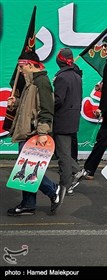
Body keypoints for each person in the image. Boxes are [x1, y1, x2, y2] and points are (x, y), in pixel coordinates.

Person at [70, 34, 107, 194]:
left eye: (105, 46)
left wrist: (101, 108)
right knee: (103, 140)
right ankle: (89, 169)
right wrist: (103, 86)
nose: (103, 48)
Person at [6, 51, 66, 216]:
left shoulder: (42, 82)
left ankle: (53, 190)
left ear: (31, 64)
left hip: (33, 133)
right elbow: (29, 106)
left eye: (21, 65)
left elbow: (47, 109)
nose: (20, 69)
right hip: (26, 131)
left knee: (27, 170)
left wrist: (42, 132)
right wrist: (16, 102)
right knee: (26, 169)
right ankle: (28, 203)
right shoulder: (29, 82)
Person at [52, 48, 83, 196]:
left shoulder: (62, 78)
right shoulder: (76, 76)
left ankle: (65, 184)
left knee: (63, 155)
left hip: (62, 119)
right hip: (72, 117)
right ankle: (77, 172)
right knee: (65, 152)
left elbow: (58, 100)